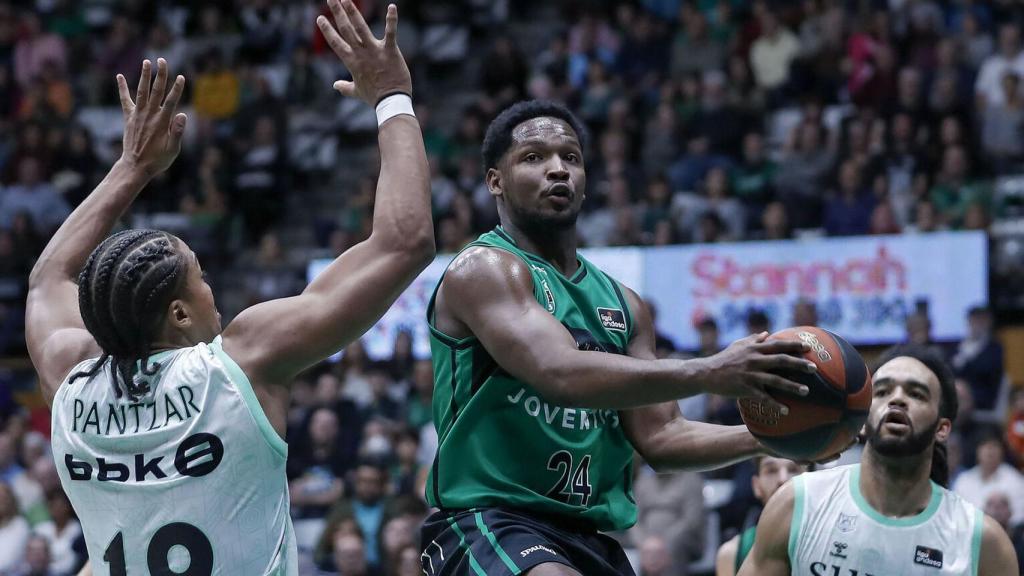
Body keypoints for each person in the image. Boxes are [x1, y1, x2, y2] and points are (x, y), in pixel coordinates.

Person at [24, 2, 432, 574]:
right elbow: (405, 242)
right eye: (202, 278)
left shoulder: (69, 381)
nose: (212, 291)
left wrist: (131, 168)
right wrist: (392, 96)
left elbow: (48, 279)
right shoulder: (242, 366)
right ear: (179, 314)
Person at [419, 99, 819, 575]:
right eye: (533, 157)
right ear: (495, 182)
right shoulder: (483, 269)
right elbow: (559, 373)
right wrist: (711, 370)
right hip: (487, 522)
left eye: (570, 157)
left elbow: (663, 437)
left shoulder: (624, 304)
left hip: (586, 537)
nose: (557, 169)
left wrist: (778, 437)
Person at [738, 344, 1018, 575]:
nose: (897, 399)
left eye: (916, 394)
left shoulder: (983, 542)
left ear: (942, 429)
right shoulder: (797, 502)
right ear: (861, 420)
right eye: (882, 392)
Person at [715, 456, 807, 576]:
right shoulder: (731, 553)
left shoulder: (827, 541)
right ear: (756, 485)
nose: (782, 479)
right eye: (771, 471)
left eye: (793, 469)